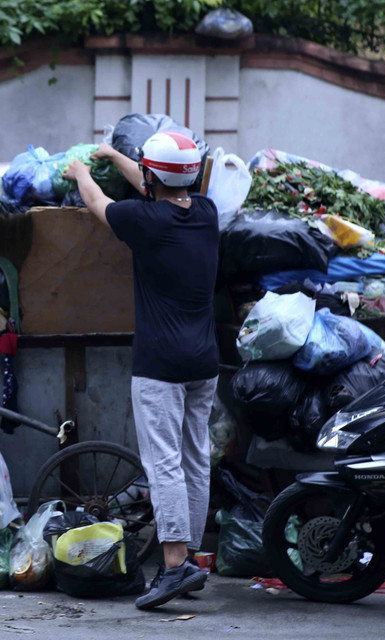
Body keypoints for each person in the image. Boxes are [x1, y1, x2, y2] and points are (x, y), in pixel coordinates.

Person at [62, 131, 220, 609]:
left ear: (152, 177)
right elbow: (162, 184)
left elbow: (98, 203)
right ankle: (189, 559)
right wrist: (116, 154)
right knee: (195, 457)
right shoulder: (207, 213)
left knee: (164, 463)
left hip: (161, 364)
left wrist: (83, 171)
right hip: (204, 361)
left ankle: (173, 567)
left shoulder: (142, 218)